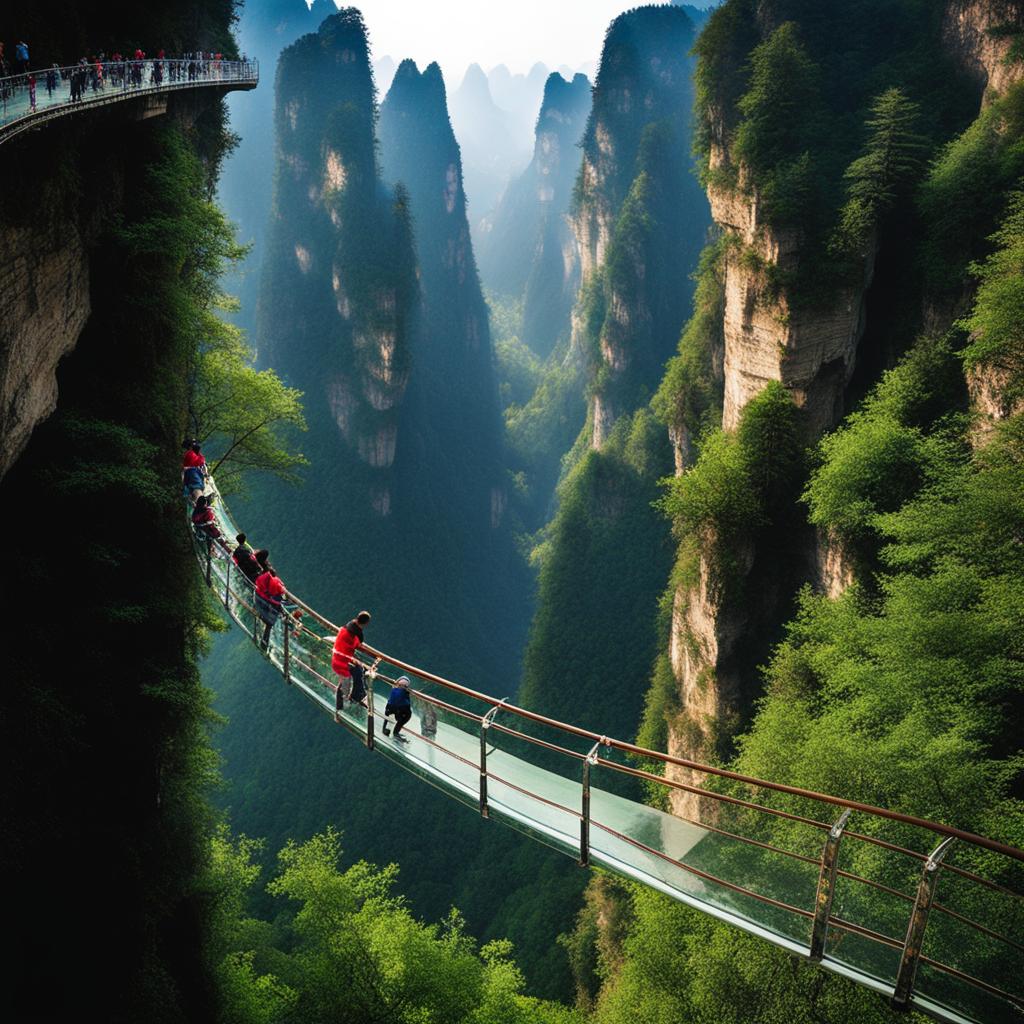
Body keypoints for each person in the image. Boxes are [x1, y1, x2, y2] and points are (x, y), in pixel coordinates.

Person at [328, 611, 370, 710]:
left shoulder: (343, 629)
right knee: (353, 676)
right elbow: (357, 644)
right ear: (366, 623)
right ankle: (344, 703)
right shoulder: (354, 638)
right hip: (341, 664)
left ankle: (357, 696)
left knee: (358, 670)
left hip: (337, 659)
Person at [254, 566, 286, 652]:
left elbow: (257, 585)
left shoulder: (261, 578)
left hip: (260, 600)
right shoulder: (277, 582)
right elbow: (283, 593)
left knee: (267, 621)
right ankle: (264, 643)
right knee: (270, 623)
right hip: (271, 604)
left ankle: (263, 640)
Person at [382, 676, 412, 743]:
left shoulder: (394, 688)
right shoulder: (405, 691)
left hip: (390, 708)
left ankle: (385, 728)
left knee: (388, 713)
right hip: (400, 710)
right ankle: (395, 732)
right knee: (407, 715)